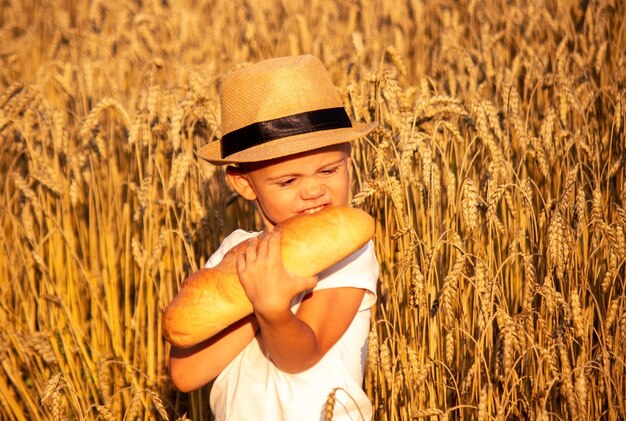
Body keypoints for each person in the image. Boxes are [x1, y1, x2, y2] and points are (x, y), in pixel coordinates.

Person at [168, 54, 379, 420]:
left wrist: (272, 308)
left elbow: (300, 357)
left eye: (328, 170)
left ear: (349, 158)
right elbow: (186, 375)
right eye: (289, 180)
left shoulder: (346, 250)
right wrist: (253, 298)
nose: (313, 190)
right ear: (243, 183)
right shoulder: (234, 254)